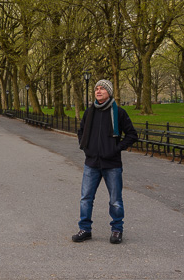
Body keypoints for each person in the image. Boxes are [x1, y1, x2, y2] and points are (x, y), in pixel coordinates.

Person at [73, 79, 138, 244]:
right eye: (96, 89)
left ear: (109, 92)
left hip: (112, 164)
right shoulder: (90, 112)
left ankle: (117, 230)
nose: (98, 91)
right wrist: (85, 147)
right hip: (92, 163)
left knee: (115, 200)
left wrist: (115, 149)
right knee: (86, 198)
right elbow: (81, 131)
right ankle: (85, 229)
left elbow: (132, 135)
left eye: (102, 88)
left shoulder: (119, 113)